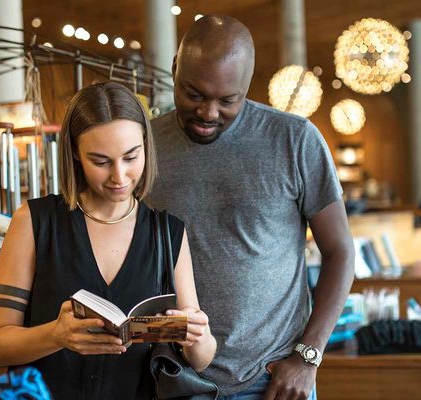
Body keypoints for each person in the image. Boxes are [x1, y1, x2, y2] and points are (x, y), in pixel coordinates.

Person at [146, 15, 355, 400]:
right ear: (175, 70)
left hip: (273, 380)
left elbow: (340, 251)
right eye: (194, 94)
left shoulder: (294, 140)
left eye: (228, 100)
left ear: (248, 84)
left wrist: (308, 357)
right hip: (175, 378)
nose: (209, 113)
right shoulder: (144, 146)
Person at [0, 82, 216, 399]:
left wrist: (197, 335)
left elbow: (201, 360)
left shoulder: (168, 233)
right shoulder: (33, 222)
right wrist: (56, 335)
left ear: (146, 146)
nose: (119, 177)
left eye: (131, 157)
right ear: (75, 154)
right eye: (101, 161)